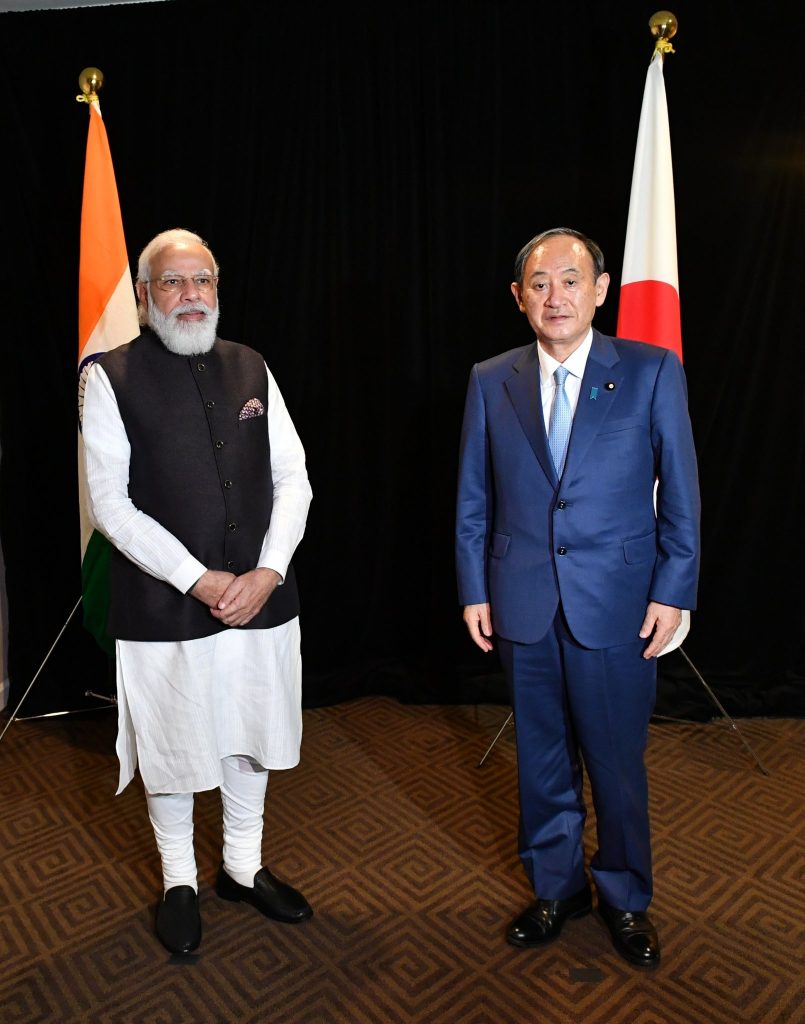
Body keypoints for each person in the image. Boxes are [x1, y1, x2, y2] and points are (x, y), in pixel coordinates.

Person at [455, 227, 700, 968]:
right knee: (540, 758)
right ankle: (555, 887)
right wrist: (473, 587)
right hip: (520, 600)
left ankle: (624, 898)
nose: (553, 295)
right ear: (518, 297)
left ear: (599, 289)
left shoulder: (652, 371)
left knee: (616, 762)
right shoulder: (489, 377)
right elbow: (473, 497)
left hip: (618, 605)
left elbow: (681, 494)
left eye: (570, 279)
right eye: (538, 283)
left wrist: (673, 586)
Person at [81, 227, 314, 956]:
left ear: (218, 289)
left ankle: (242, 868)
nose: (191, 296)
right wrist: (200, 579)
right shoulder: (106, 376)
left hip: (263, 596)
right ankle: (179, 880)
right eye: (174, 283)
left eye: (202, 281)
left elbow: (293, 478)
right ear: (146, 295)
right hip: (164, 605)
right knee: (176, 748)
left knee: (251, 736)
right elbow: (110, 505)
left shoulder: (251, 365)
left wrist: (268, 570)